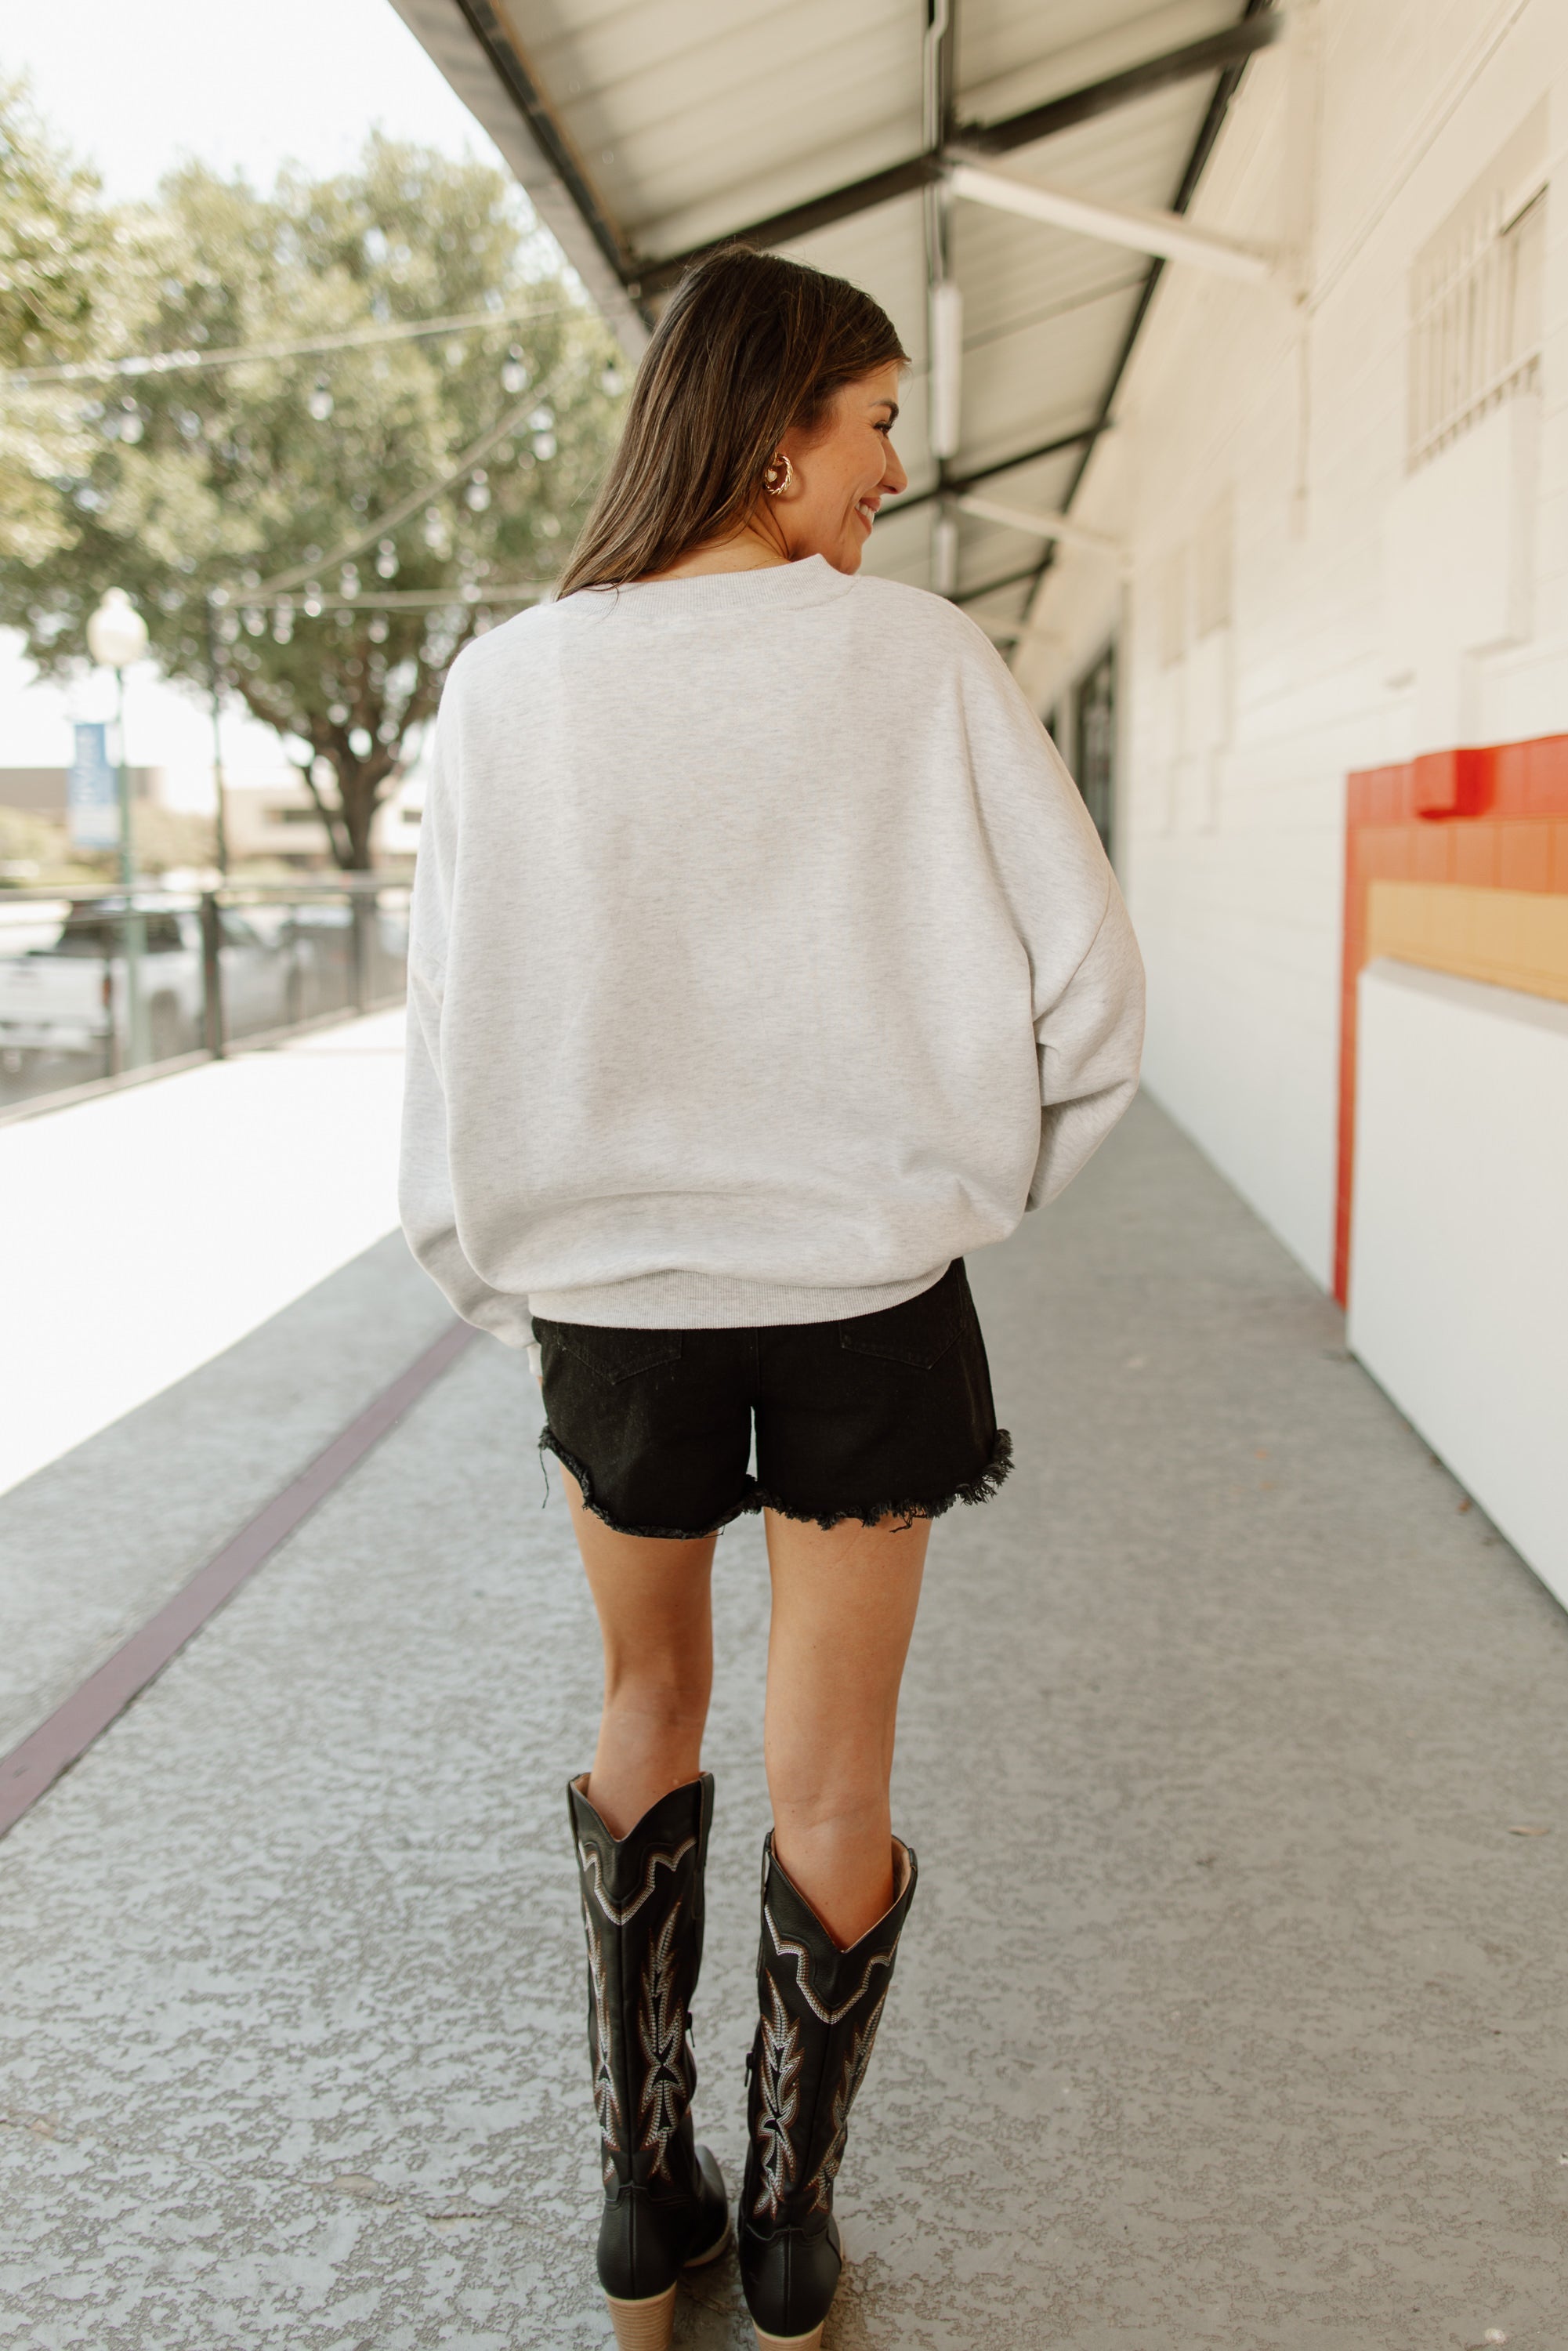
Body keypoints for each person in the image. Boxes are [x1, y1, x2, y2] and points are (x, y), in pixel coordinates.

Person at [400, 245, 1144, 2351]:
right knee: (837, 1769)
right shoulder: (917, 662)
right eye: (875, 421)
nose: (895, 466)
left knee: (641, 1708)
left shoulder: (506, 686)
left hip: (614, 1303)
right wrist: (957, 1194)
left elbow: (448, 1033)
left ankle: (648, 2215)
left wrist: (512, 1282)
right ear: (770, 430)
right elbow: (1092, 987)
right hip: (868, 1303)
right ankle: (795, 2235)